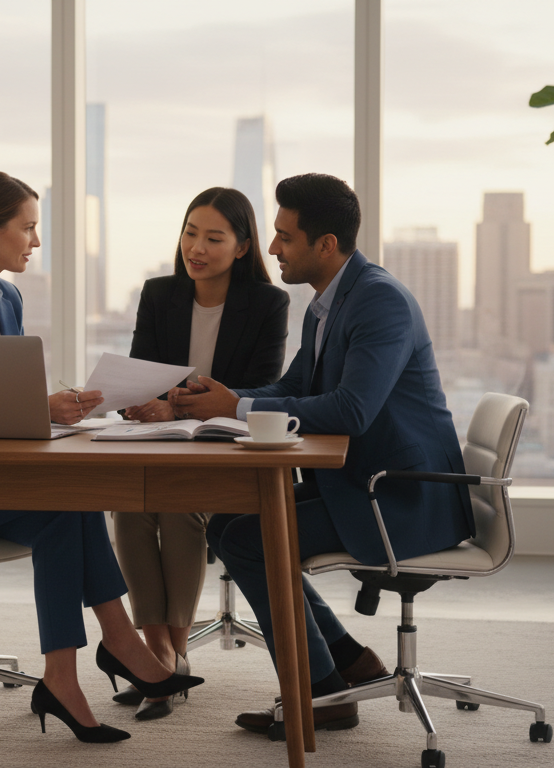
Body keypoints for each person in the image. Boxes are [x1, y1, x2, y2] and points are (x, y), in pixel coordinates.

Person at [0, 171, 203, 743]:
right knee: (63, 513)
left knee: (70, 507)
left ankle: (71, 672)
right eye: (27, 228)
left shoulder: (7, 296)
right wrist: (38, 404)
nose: (35, 240)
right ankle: (114, 646)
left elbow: (1, 402)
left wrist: (54, 411)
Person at [170, 172, 473, 736]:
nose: (272, 247)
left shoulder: (378, 301)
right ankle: (345, 658)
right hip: (368, 483)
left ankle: (322, 693)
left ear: (325, 245)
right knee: (230, 523)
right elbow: (297, 386)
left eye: (285, 236)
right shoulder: (327, 304)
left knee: (246, 538)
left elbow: (351, 410)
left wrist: (234, 409)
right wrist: (219, 401)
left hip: (401, 496)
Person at [113, 187, 289, 720]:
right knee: (129, 505)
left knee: (177, 505)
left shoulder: (267, 303)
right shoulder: (159, 293)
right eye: (191, 233)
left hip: (224, 447)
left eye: (214, 238)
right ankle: (161, 653)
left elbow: (260, 386)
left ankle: (171, 653)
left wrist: (180, 411)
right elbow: (143, 373)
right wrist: (142, 404)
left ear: (241, 247)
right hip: (163, 442)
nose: (197, 247)